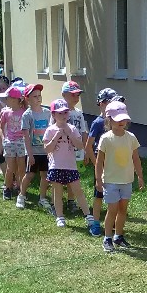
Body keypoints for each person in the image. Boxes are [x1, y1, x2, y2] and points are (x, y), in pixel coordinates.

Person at [43, 99, 101, 233]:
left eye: (65, 112)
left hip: (71, 166)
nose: (63, 115)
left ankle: (88, 215)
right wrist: (56, 136)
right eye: (60, 113)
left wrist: (70, 134)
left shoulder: (72, 128)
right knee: (57, 192)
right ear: (53, 115)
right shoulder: (50, 130)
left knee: (78, 191)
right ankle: (60, 216)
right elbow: (47, 148)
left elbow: (80, 145)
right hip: (56, 166)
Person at [95, 100, 144, 253]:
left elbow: (136, 158)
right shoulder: (106, 138)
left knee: (123, 209)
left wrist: (140, 176)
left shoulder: (131, 137)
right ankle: (107, 238)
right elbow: (99, 161)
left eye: (123, 119)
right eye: (117, 119)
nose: (121, 122)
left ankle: (118, 236)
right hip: (110, 181)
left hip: (126, 181)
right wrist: (98, 179)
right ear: (109, 120)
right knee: (112, 210)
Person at [85, 88, 124, 226]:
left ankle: (112, 222)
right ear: (102, 104)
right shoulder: (98, 123)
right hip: (101, 163)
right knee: (99, 193)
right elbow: (88, 146)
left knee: (114, 194)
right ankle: (96, 223)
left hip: (115, 164)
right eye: (111, 103)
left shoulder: (117, 122)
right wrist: (97, 165)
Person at [16, 83, 53, 212]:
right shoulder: (27, 115)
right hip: (33, 152)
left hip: (45, 151)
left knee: (45, 175)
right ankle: (21, 195)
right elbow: (26, 137)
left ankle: (42, 198)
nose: (38, 98)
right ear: (27, 99)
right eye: (35, 96)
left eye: (39, 96)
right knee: (30, 175)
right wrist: (30, 154)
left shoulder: (47, 113)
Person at [60, 81, 95, 215]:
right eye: (72, 94)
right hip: (63, 151)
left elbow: (84, 132)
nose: (76, 97)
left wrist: (85, 150)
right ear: (64, 95)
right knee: (59, 177)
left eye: (78, 95)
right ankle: (56, 201)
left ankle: (71, 200)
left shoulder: (79, 113)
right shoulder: (59, 112)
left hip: (77, 151)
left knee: (74, 177)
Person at [0, 85, 27, 201]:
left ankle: (21, 189)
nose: (5, 100)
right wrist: (3, 138)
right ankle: (7, 188)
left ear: (14, 99)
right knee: (10, 168)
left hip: (22, 142)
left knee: (21, 168)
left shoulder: (24, 112)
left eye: (7, 98)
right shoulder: (5, 112)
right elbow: (0, 127)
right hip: (10, 142)